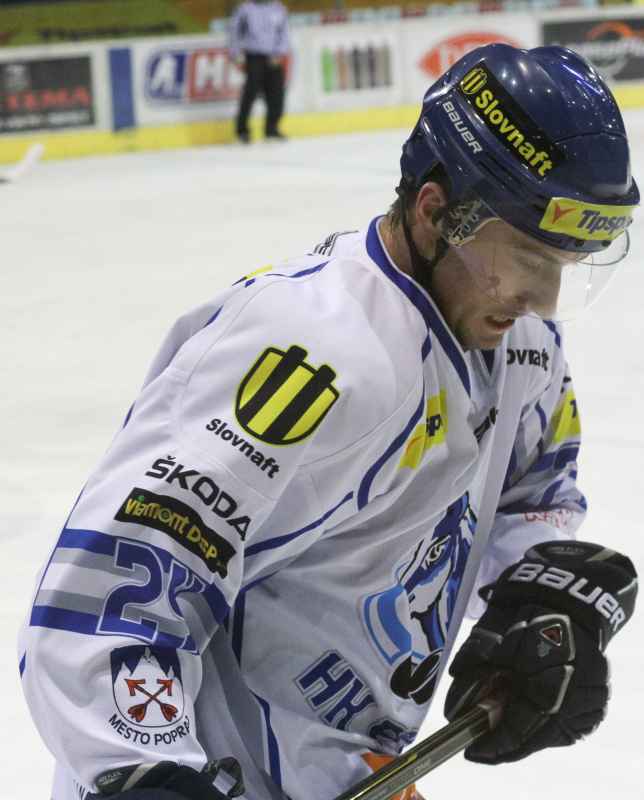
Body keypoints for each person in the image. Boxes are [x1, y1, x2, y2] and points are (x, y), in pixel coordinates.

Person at [20, 44, 639, 800]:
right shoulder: (311, 350)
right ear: (436, 212)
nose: (543, 299)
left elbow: (533, 489)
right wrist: (144, 771)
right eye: (527, 260)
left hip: (352, 772)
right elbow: (120, 582)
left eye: (567, 264)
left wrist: (538, 594)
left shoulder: (521, 339)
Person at [228, 0, 290, 143]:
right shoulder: (245, 9)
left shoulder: (277, 8)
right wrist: (234, 53)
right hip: (254, 56)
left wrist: (279, 53)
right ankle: (242, 130)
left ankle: (271, 128)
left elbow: (284, 32)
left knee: (276, 93)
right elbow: (235, 31)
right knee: (250, 93)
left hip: (274, 56)